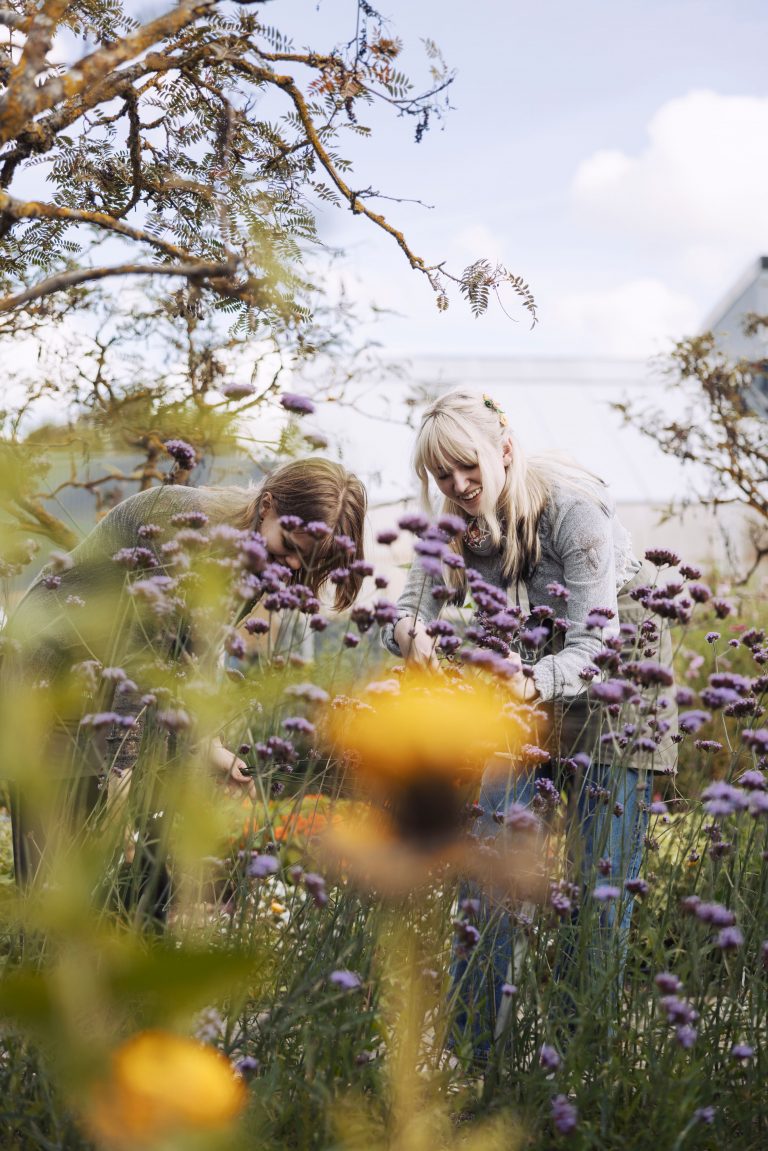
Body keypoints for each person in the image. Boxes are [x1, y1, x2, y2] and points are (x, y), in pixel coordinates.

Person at [381, 388, 676, 1058]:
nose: (458, 486)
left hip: (620, 684)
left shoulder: (576, 511)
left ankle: (580, 1062)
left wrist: (531, 679)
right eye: (443, 476)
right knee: (487, 862)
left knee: (601, 888)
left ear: (505, 451)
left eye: (469, 468)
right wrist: (411, 634)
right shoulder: (453, 525)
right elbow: (406, 605)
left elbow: (597, 645)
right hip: (521, 688)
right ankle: (472, 1055)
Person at [5, 456, 367, 908]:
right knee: (55, 883)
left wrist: (209, 744)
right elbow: (141, 663)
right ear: (267, 505)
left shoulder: (258, 553)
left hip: (119, 691)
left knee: (131, 894)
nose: (293, 564)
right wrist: (118, 780)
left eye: (310, 561)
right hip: (52, 679)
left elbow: (195, 648)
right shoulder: (185, 528)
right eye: (288, 546)